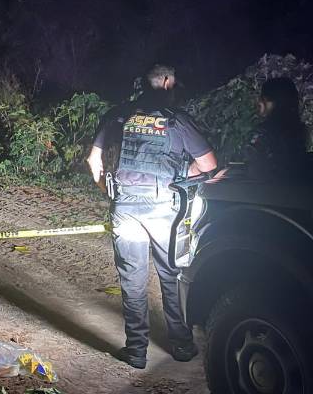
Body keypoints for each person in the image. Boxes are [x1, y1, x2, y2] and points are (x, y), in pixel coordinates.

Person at [86, 64, 217, 369]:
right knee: (171, 276)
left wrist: (109, 190)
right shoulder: (177, 120)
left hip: (126, 208)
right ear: (168, 82)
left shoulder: (119, 113)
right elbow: (209, 165)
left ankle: (136, 352)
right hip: (163, 209)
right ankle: (182, 346)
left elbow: (94, 160)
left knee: (132, 281)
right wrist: (183, 173)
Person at [245, 77, 309, 180]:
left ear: (268, 100)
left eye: (262, 97)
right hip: (298, 193)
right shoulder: (300, 131)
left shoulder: (263, 132)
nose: (258, 102)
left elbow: (254, 169)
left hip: (267, 192)